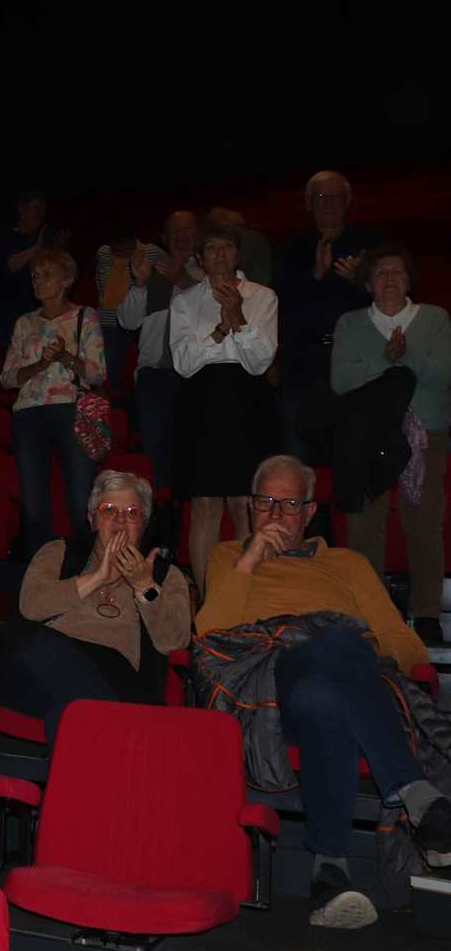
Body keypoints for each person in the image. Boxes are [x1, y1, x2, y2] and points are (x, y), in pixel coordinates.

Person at [197, 455, 449, 929]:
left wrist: (369, 665)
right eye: (265, 502)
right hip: (268, 687)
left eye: (289, 504)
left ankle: (328, 871)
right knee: (335, 638)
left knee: (325, 692)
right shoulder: (228, 556)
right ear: (249, 507)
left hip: (336, 687)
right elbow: (211, 636)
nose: (275, 514)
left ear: (310, 512)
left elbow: (402, 641)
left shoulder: (347, 564)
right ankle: (413, 789)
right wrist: (250, 559)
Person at [0, 470, 190, 745]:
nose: (120, 519)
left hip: (116, 678)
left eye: (131, 512)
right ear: (91, 518)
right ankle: (114, 736)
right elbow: (31, 605)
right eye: (108, 510)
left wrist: (145, 586)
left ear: (144, 523)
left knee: (68, 713)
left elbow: (175, 640)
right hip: (36, 673)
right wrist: (97, 578)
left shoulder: (166, 575)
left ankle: (96, 745)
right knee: (41, 646)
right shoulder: (58, 551)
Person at [331, 245, 450, 639]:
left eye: (398, 272)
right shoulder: (350, 323)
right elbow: (342, 381)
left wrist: (406, 353)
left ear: (409, 280)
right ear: (367, 283)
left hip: (426, 431)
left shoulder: (434, 318)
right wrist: (388, 358)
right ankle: (370, 609)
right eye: (381, 273)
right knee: (365, 523)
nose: (390, 280)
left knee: (424, 522)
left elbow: (442, 375)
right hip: (367, 433)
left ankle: (427, 612)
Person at [171, 223, 278, 586]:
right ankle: (207, 600)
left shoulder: (263, 296)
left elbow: (260, 362)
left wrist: (238, 317)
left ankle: (244, 596)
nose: (219, 254)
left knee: (243, 504)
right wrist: (219, 330)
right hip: (202, 402)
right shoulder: (185, 301)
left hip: (247, 400)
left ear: (238, 252)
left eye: (227, 246)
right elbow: (183, 363)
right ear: (199, 258)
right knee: (205, 506)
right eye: (211, 248)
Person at [0, 248, 106, 558]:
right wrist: (40, 365)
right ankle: (40, 574)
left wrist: (64, 357)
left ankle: (88, 569)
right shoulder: (25, 323)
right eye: (35, 275)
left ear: (67, 279)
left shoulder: (85, 316)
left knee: (80, 501)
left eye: (47, 274)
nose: (38, 281)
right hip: (29, 415)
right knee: (33, 504)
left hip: (72, 410)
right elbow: (7, 378)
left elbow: (98, 374)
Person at [274, 170, 380, 461]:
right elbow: (277, 302)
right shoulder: (290, 247)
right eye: (322, 196)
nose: (330, 203)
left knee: (356, 451)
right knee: (297, 449)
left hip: (359, 361)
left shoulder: (371, 245)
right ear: (308, 202)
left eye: (337, 196)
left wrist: (364, 280)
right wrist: (315, 275)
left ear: (348, 201)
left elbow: (396, 298)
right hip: (304, 363)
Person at [117, 210, 202, 489]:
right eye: (175, 231)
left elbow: (212, 311)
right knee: (155, 457)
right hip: (153, 375)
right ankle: (161, 513)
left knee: (192, 453)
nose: (181, 237)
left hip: (195, 374)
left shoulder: (209, 272)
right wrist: (141, 284)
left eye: (188, 230)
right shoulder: (151, 272)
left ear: (199, 234)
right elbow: (126, 321)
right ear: (164, 238)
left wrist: (183, 280)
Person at [0, 192, 67, 353]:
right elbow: (8, 266)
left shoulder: (43, 239)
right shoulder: (4, 237)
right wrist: (36, 248)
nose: (40, 214)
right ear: (21, 210)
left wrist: (57, 251)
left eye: (43, 210)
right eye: (36, 208)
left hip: (38, 311)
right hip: (9, 314)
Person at [93, 225, 160, 390]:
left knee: (136, 369)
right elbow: (99, 280)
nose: (122, 254)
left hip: (138, 320)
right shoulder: (103, 253)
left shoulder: (149, 252)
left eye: (126, 250)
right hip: (108, 321)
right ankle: (111, 400)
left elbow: (169, 269)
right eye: (117, 250)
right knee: (109, 369)